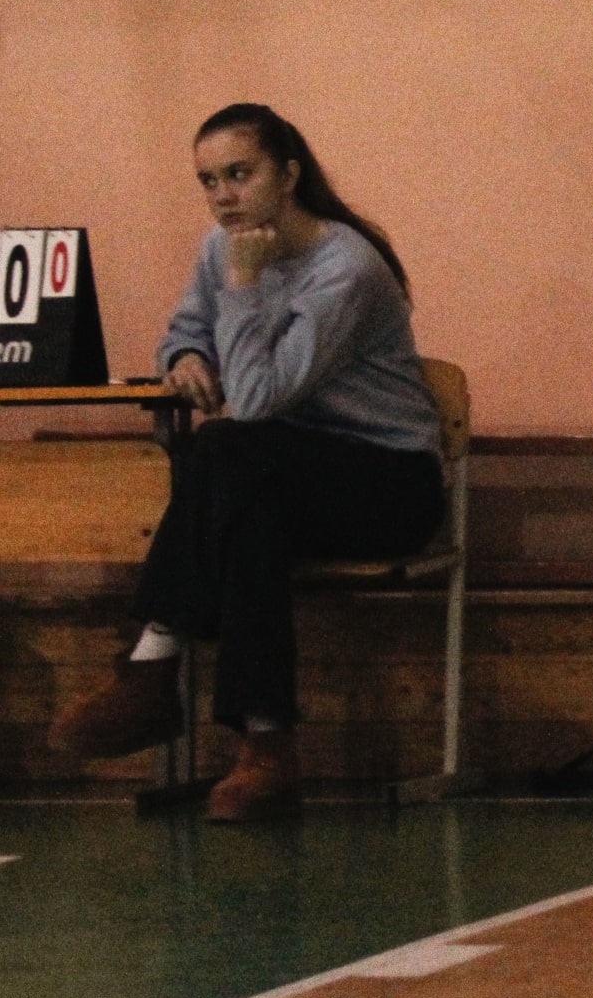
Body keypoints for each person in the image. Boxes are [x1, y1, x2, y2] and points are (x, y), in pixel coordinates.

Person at [48, 106, 446, 823]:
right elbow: (184, 329)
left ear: (288, 175)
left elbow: (259, 399)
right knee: (246, 515)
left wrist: (242, 285)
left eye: (240, 174)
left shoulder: (345, 267)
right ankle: (265, 748)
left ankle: (152, 666)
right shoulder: (221, 248)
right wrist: (185, 356)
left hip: (387, 481)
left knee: (226, 447)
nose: (224, 196)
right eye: (208, 181)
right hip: (279, 474)